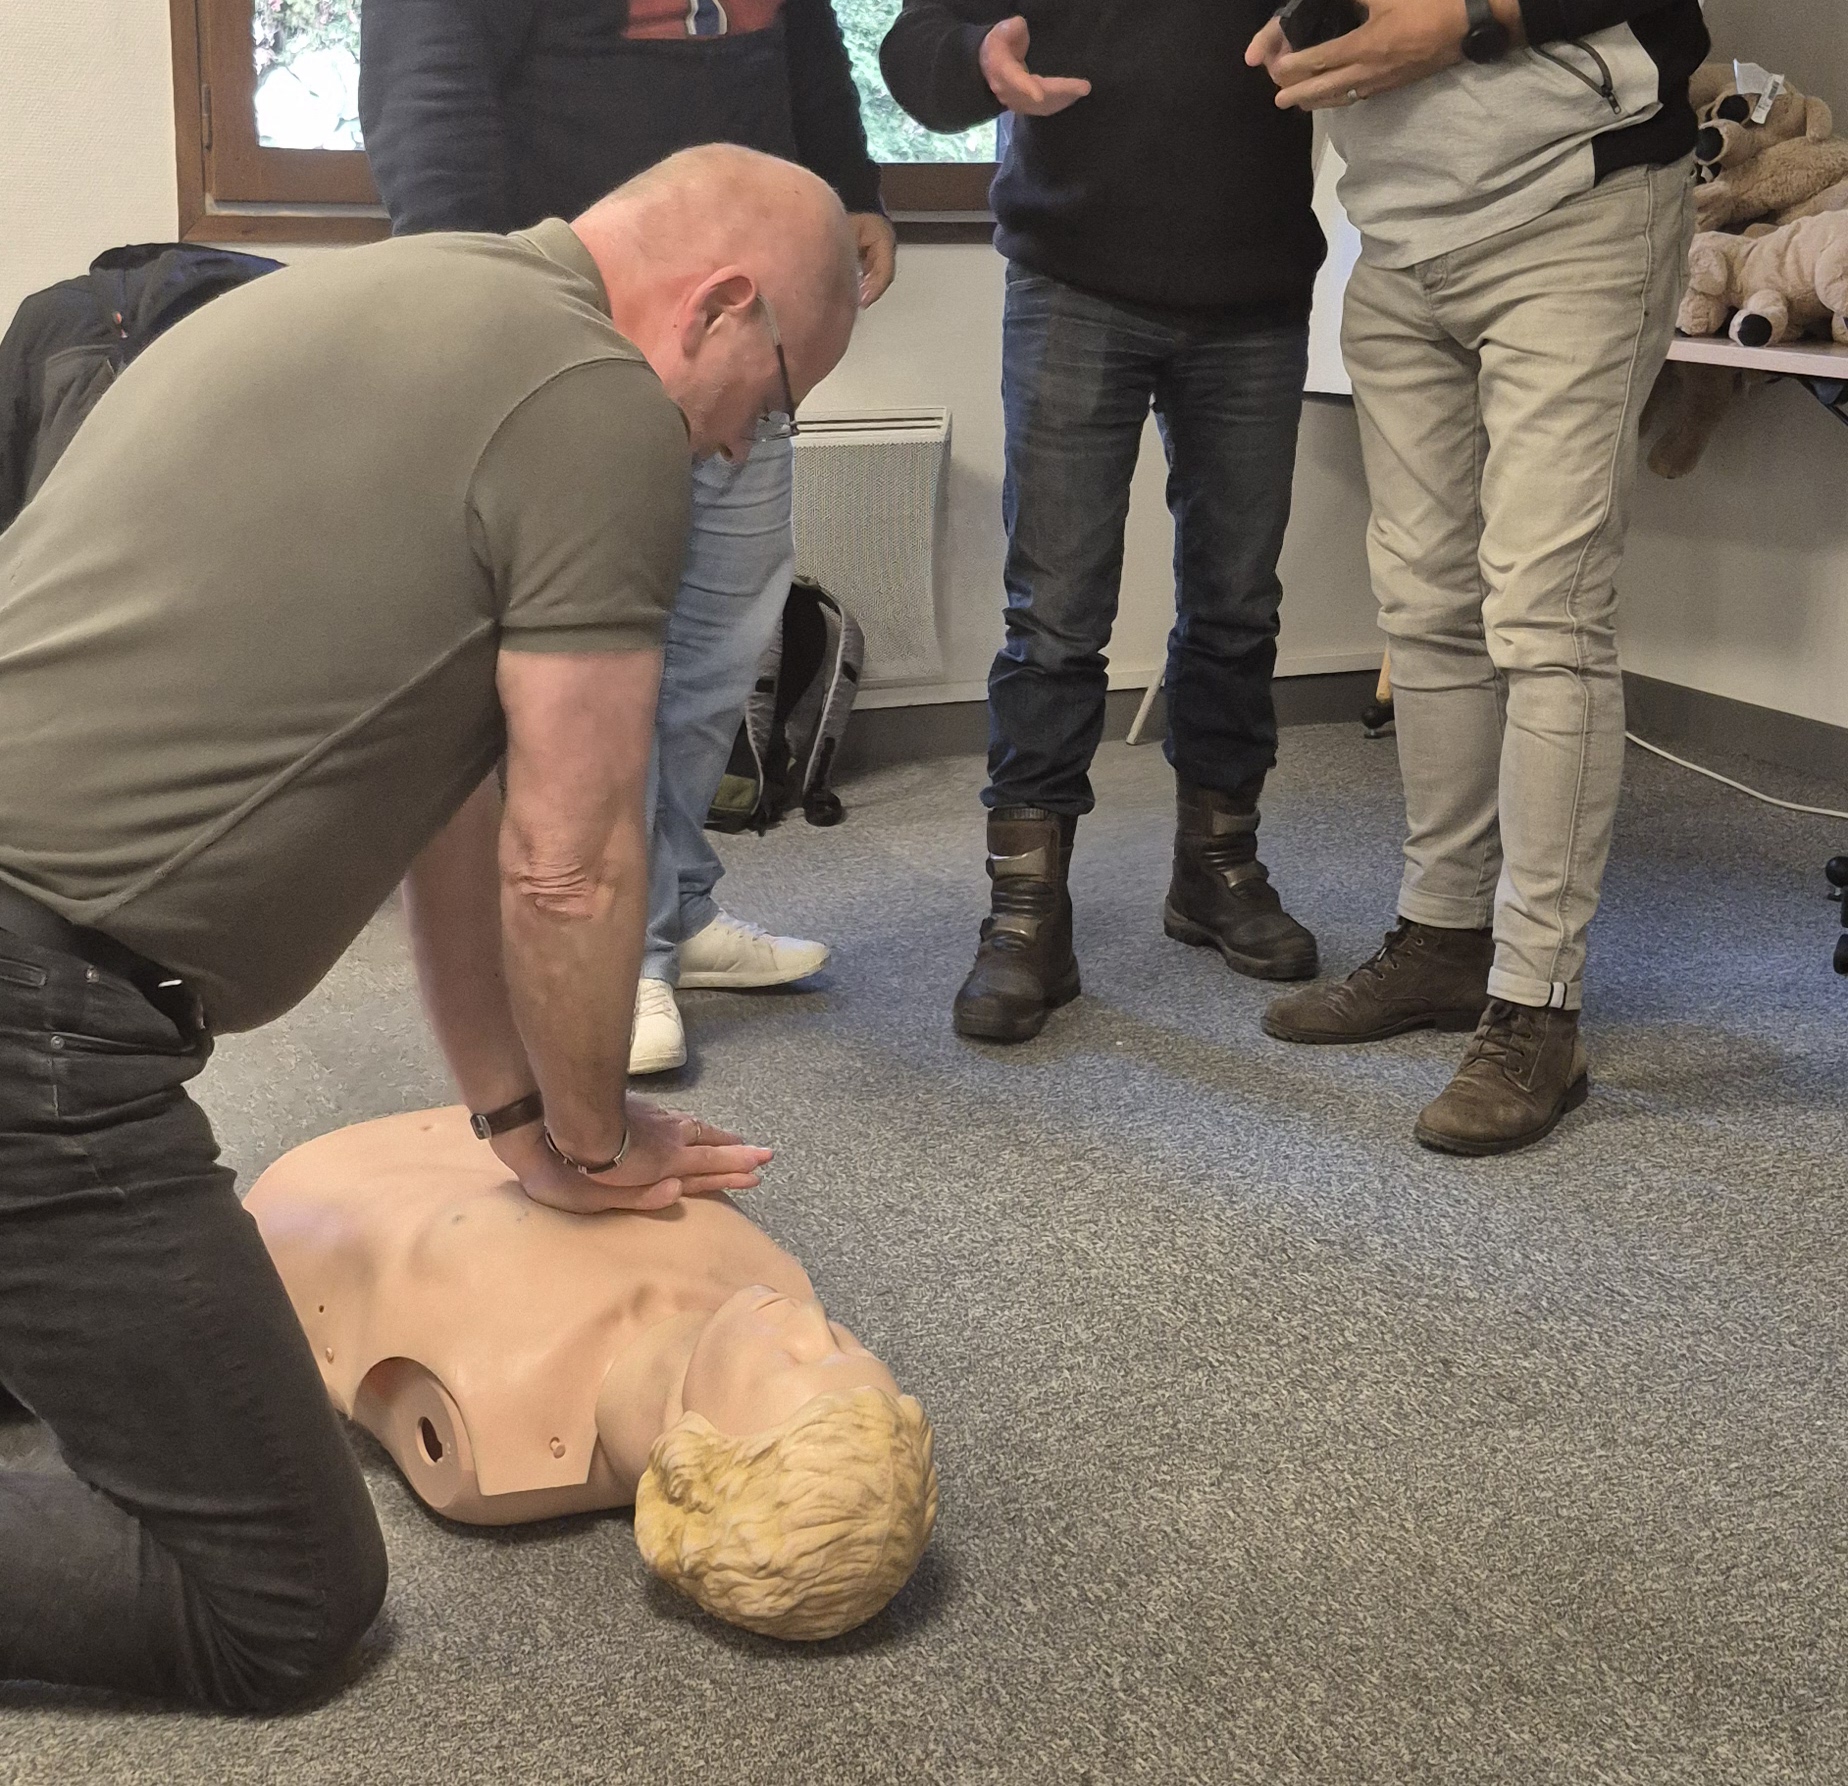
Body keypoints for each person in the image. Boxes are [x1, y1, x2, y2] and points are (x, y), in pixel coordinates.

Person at [0, 145, 860, 1708]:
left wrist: (528, 1117)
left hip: (28, 967)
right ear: (720, 302)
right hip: (32, 1012)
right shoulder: (603, 407)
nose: (744, 447)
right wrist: (604, 1140)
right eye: (776, 390)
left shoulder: (415, 293)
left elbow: (466, 827)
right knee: (281, 1598)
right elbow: (572, 863)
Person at [361, 0, 900, 1077]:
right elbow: (428, 95)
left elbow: (804, 39)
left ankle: (672, 907)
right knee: (599, 664)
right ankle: (614, 951)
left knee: (720, 644)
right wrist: (472, 315)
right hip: (579, 316)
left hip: (746, 317)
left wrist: (851, 186)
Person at [1248, 0, 1707, 1155]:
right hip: (1398, 236)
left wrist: (1467, 21)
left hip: (1578, 202)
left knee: (1546, 615)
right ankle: (1446, 938)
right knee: (1427, 611)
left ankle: (1539, 1008)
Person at [879, 3, 1326, 1045]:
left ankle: (1218, 868)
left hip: (1254, 288)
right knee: (1055, 612)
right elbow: (918, 42)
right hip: (1074, 277)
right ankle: (1028, 910)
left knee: (1236, 606)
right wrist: (975, 58)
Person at [247, 1105, 938, 1642]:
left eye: (793, 1361)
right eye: (844, 1345)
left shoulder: (492, 1433)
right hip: (506, 1122)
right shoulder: (770, 1282)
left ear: (698, 1457)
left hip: (322, 1192)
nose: (811, 1323)